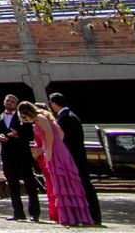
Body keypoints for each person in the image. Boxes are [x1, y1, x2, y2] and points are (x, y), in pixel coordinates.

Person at [27, 101, 93, 227]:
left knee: (59, 184)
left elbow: (49, 134)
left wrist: (48, 149)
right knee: (66, 183)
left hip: (52, 152)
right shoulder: (50, 118)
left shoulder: (40, 118)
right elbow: (60, 134)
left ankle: (67, 216)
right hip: (59, 150)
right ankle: (72, 215)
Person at [48, 94, 101, 225]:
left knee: (84, 185)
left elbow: (65, 140)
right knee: (84, 185)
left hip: (74, 157)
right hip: (78, 156)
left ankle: (93, 215)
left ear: (54, 103)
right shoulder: (70, 116)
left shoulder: (65, 118)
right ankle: (91, 215)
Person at [0, 93, 41, 222]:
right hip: (7, 155)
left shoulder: (23, 116)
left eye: (12, 102)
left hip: (22, 154)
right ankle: (18, 212)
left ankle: (34, 213)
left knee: (30, 184)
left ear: (16, 105)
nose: (9, 103)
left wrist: (18, 134)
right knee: (12, 185)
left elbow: (30, 135)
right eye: (7, 101)